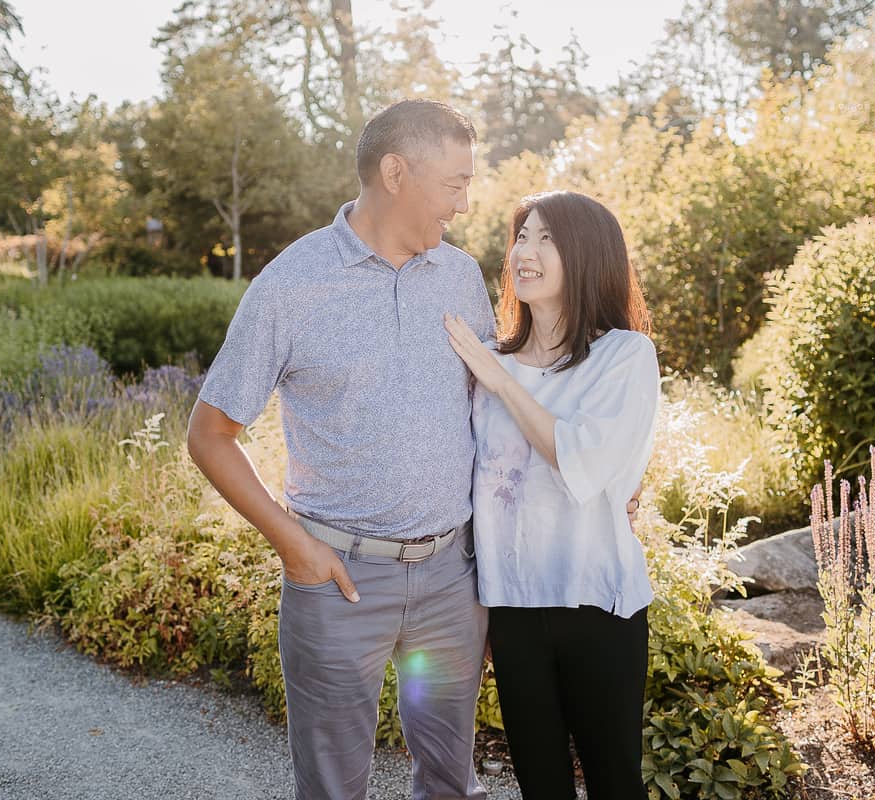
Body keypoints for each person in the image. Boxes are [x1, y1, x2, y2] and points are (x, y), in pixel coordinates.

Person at [186, 99, 492, 800]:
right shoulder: (290, 285)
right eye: (454, 184)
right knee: (331, 788)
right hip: (339, 580)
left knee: (453, 781)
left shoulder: (459, 276)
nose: (464, 204)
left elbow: (493, 410)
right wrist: (295, 546)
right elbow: (210, 436)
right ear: (395, 172)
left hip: (453, 576)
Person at [443, 190, 660, 799]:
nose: (525, 252)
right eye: (521, 236)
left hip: (597, 602)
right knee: (540, 784)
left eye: (546, 239)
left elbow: (580, 461)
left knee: (615, 780)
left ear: (587, 256)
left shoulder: (624, 355)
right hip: (512, 608)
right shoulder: (488, 359)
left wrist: (502, 383)